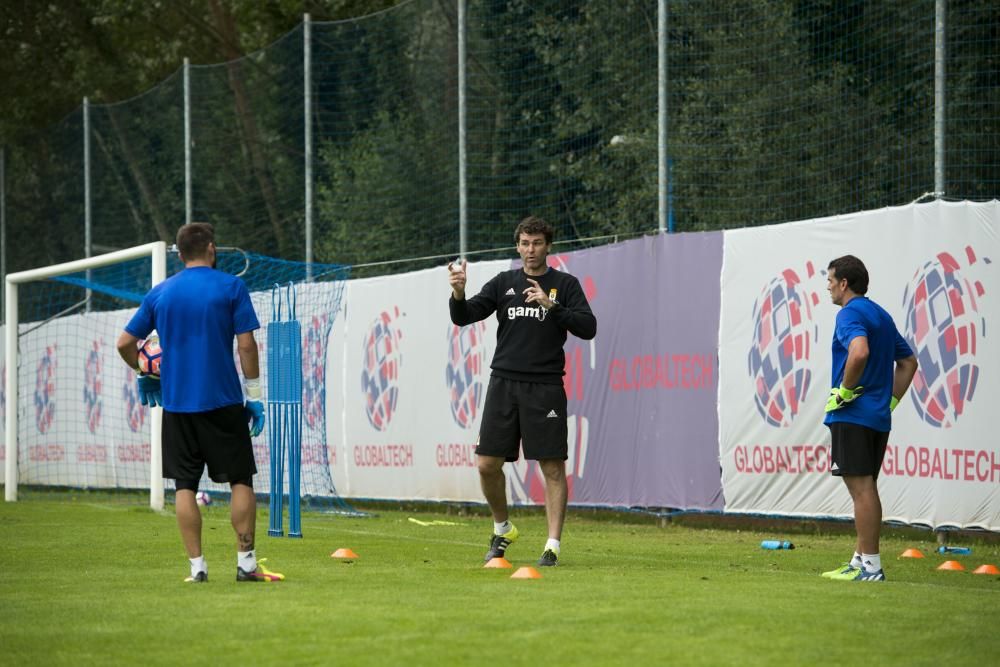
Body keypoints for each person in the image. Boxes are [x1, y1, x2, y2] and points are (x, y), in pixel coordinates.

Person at [116, 222, 281, 583]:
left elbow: (125, 343)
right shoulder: (231, 286)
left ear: (179, 253)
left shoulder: (161, 293)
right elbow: (247, 345)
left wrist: (145, 372)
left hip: (177, 406)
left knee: (185, 486)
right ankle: (246, 564)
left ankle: (198, 568)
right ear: (210, 248)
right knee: (241, 481)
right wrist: (253, 397)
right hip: (223, 403)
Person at [448, 215, 597, 567]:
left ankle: (552, 546)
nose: (531, 250)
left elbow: (589, 327)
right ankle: (503, 528)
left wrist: (552, 306)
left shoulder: (565, 284)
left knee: (552, 466)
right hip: (504, 383)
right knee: (486, 464)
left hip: (545, 387)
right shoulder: (504, 283)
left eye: (538, 243)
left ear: (548, 246)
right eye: (525, 243)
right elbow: (464, 315)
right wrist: (458, 292)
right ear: (517, 247)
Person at [820, 255, 917, 582]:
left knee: (861, 489)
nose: (828, 286)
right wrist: (888, 402)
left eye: (831, 280)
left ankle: (872, 567)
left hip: (854, 414)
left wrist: (845, 392)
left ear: (844, 283)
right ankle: (860, 561)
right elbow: (908, 363)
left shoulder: (849, 313)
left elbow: (858, 351)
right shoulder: (881, 314)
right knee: (865, 488)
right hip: (875, 417)